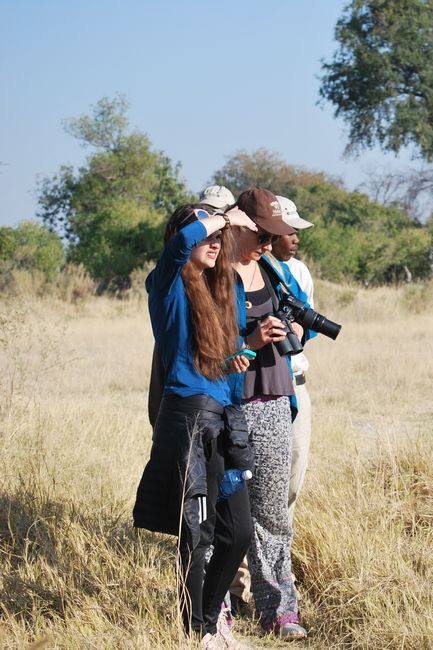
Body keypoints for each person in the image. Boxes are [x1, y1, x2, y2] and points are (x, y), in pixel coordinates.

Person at [133, 203, 258, 649]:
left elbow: (213, 366)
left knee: (238, 530)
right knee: (198, 532)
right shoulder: (165, 285)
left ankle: (207, 622)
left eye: (217, 237)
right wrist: (225, 217)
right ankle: (200, 632)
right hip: (187, 421)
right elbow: (184, 242)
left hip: (225, 419)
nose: (213, 241)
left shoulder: (221, 290)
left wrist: (240, 354)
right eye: (204, 234)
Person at [232, 188, 310, 640]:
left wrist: (296, 329)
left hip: (275, 399)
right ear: (239, 224)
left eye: (273, 235)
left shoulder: (270, 268)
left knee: (272, 512)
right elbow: (202, 343)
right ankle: (215, 607)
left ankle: (280, 611)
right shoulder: (216, 272)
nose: (267, 242)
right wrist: (252, 339)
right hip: (230, 403)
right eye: (261, 233)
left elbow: (300, 317)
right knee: (226, 515)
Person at [271, 195, 316, 522]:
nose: (296, 238)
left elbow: (307, 328)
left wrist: (300, 331)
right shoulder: (249, 272)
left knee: (294, 473)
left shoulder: (299, 272)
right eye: (289, 231)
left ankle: (280, 556)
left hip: (296, 380)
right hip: (265, 386)